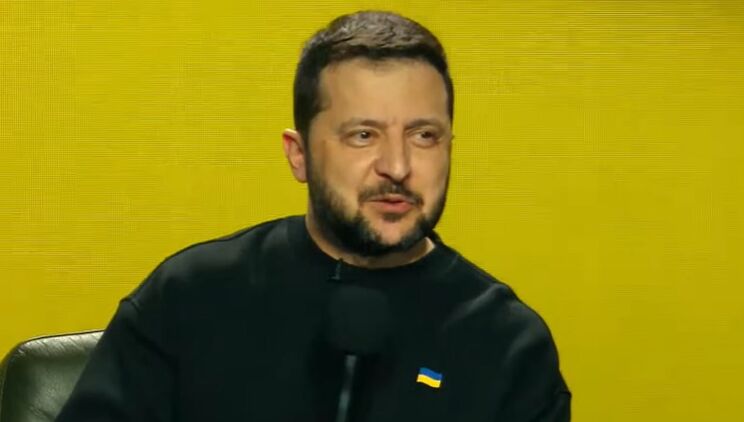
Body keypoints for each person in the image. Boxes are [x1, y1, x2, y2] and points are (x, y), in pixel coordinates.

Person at [56, 10, 571, 422]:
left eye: (424, 136)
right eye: (363, 135)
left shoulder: (507, 344)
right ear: (298, 155)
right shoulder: (190, 297)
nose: (397, 166)